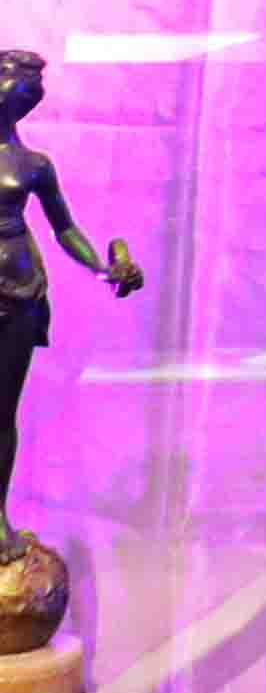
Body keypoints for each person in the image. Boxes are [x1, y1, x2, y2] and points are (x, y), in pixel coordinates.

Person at [0, 50, 145, 554]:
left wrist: (103, 267)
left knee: (2, 411)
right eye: (13, 79)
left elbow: (64, 228)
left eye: (26, 86)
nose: (19, 91)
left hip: (17, 291)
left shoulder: (35, 165)